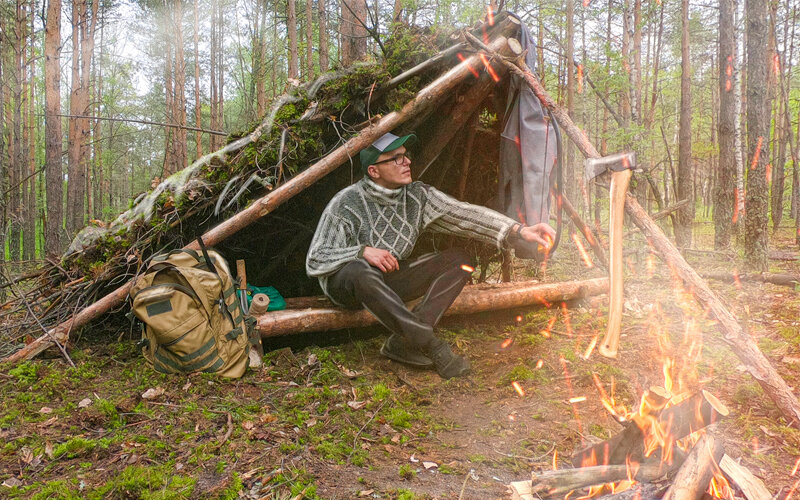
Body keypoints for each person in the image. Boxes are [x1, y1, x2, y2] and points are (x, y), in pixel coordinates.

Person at [306, 132, 555, 379]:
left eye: (406, 156)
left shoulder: (418, 197)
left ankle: (403, 342)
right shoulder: (347, 203)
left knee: (460, 260)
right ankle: (429, 343)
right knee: (359, 270)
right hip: (349, 285)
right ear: (374, 171)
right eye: (396, 158)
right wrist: (361, 251)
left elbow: (463, 214)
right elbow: (316, 258)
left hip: (390, 278)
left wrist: (518, 230)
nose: (407, 162)